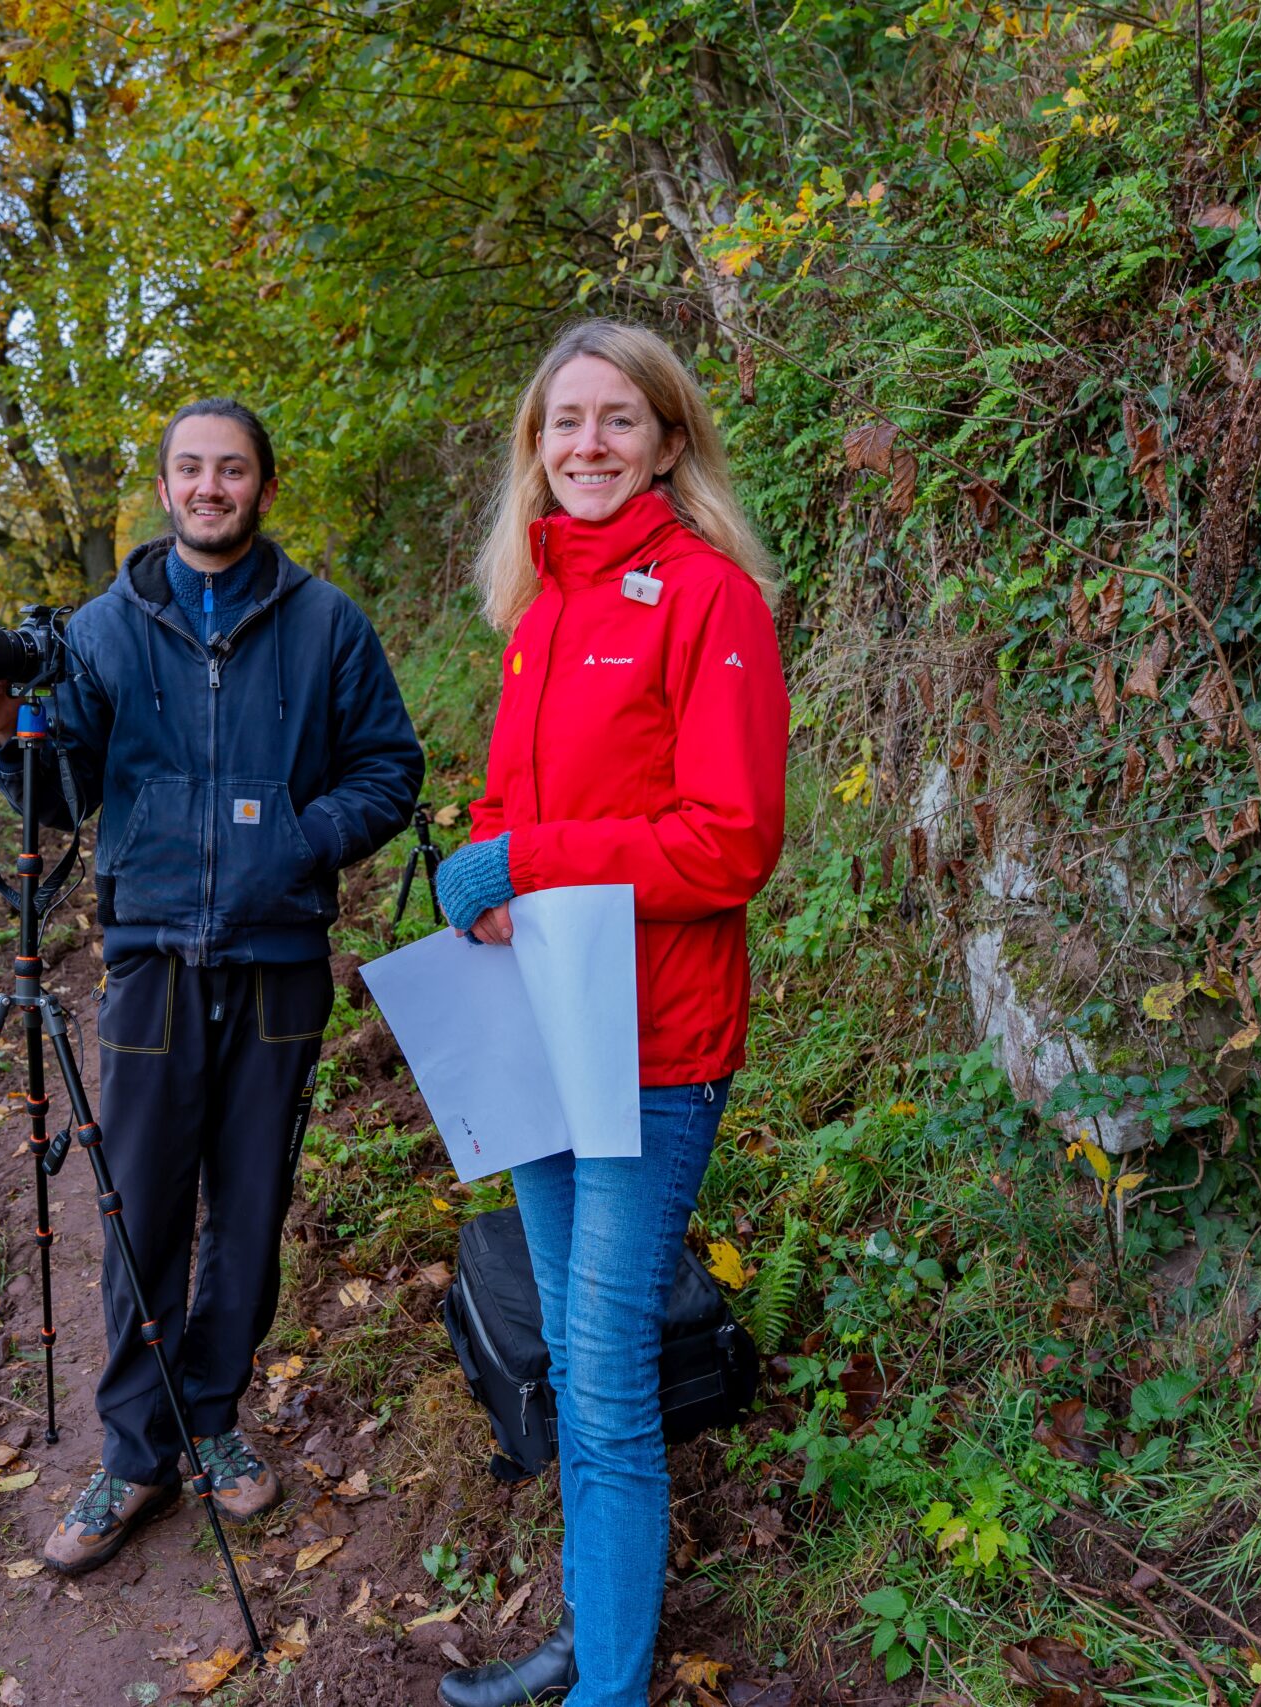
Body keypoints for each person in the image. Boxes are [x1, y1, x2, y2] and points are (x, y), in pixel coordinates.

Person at [0, 398, 424, 1574]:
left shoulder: (326, 625)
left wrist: (302, 841)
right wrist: (6, 734)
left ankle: (213, 1421)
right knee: (141, 1207)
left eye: (232, 470)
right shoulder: (101, 633)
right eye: (189, 470)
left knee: (251, 1206)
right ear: (162, 491)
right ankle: (133, 1454)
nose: (210, 487)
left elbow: (389, 765)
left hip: (278, 959)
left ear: (265, 487)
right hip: (152, 959)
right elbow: (59, 798)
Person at [430, 322, 788, 1707]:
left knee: (609, 1372)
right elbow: (520, 806)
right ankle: (599, 1629)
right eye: (562, 421)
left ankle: (613, 1687)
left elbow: (728, 841)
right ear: (535, 446)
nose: (586, 443)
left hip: (652, 1044)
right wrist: (489, 861)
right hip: (539, 1030)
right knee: (573, 1365)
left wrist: (525, 862)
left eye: (617, 419)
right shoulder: (539, 609)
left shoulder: (709, 599)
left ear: (670, 439)